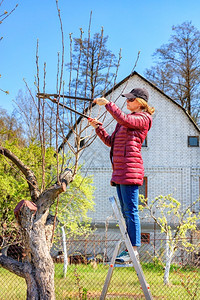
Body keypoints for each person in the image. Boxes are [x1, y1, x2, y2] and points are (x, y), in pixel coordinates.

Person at [89, 88, 155, 264]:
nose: (127, 102)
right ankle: (128, 249)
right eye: (127, 99)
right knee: (125, 214)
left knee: (131, 211)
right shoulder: (126, 122)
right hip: (119, 171)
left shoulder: (143, 119)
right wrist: (98, 128)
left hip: (130, 171)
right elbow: (111, 141)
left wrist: (108, 105)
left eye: (131, 99)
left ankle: (133, 251)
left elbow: (123, 118)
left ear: (140, 102)